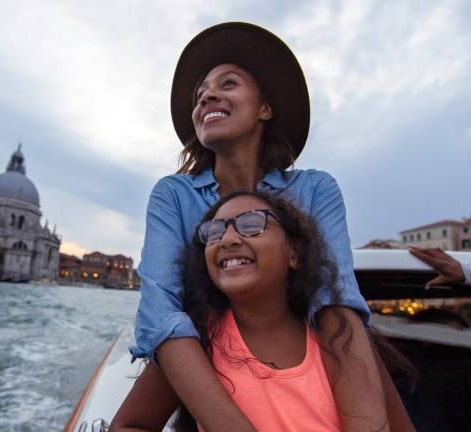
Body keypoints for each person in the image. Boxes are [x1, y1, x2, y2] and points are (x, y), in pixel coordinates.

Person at [126, 22, 410, 431]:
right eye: (201, 92)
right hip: (201, 364)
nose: (207, 95)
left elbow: (335, 297)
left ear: (265, 108)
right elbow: (160, 311)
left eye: (228, 83)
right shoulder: (172, 194)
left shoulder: (315, 188)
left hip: (311, 353)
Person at [112, 192, 413, 431]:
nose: (227, 239)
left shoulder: (345, 341)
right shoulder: (197, 340)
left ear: (294, 253)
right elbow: (130, 425)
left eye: (252, 224)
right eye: (214, 232)